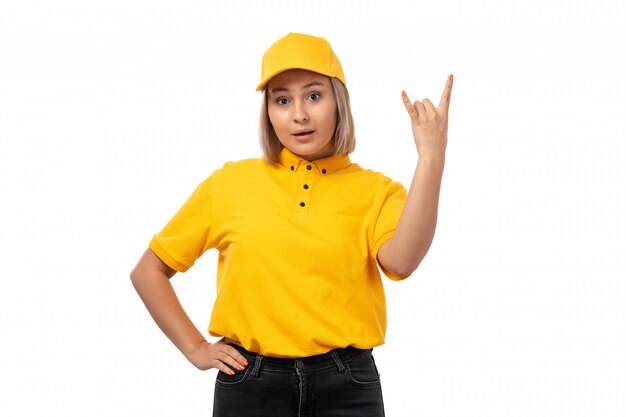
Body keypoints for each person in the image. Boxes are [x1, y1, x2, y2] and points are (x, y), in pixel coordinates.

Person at [130, 32, 452, 417]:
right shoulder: (230, 184)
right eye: (282, 100)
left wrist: (431, 156)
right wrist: (195, 348)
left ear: (339, 101)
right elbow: (149, 271)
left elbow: (402, 261)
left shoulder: (376, 191)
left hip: (347, 385)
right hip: (250, 383)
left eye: (314, 96)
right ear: (268, 112)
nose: (299, 114)